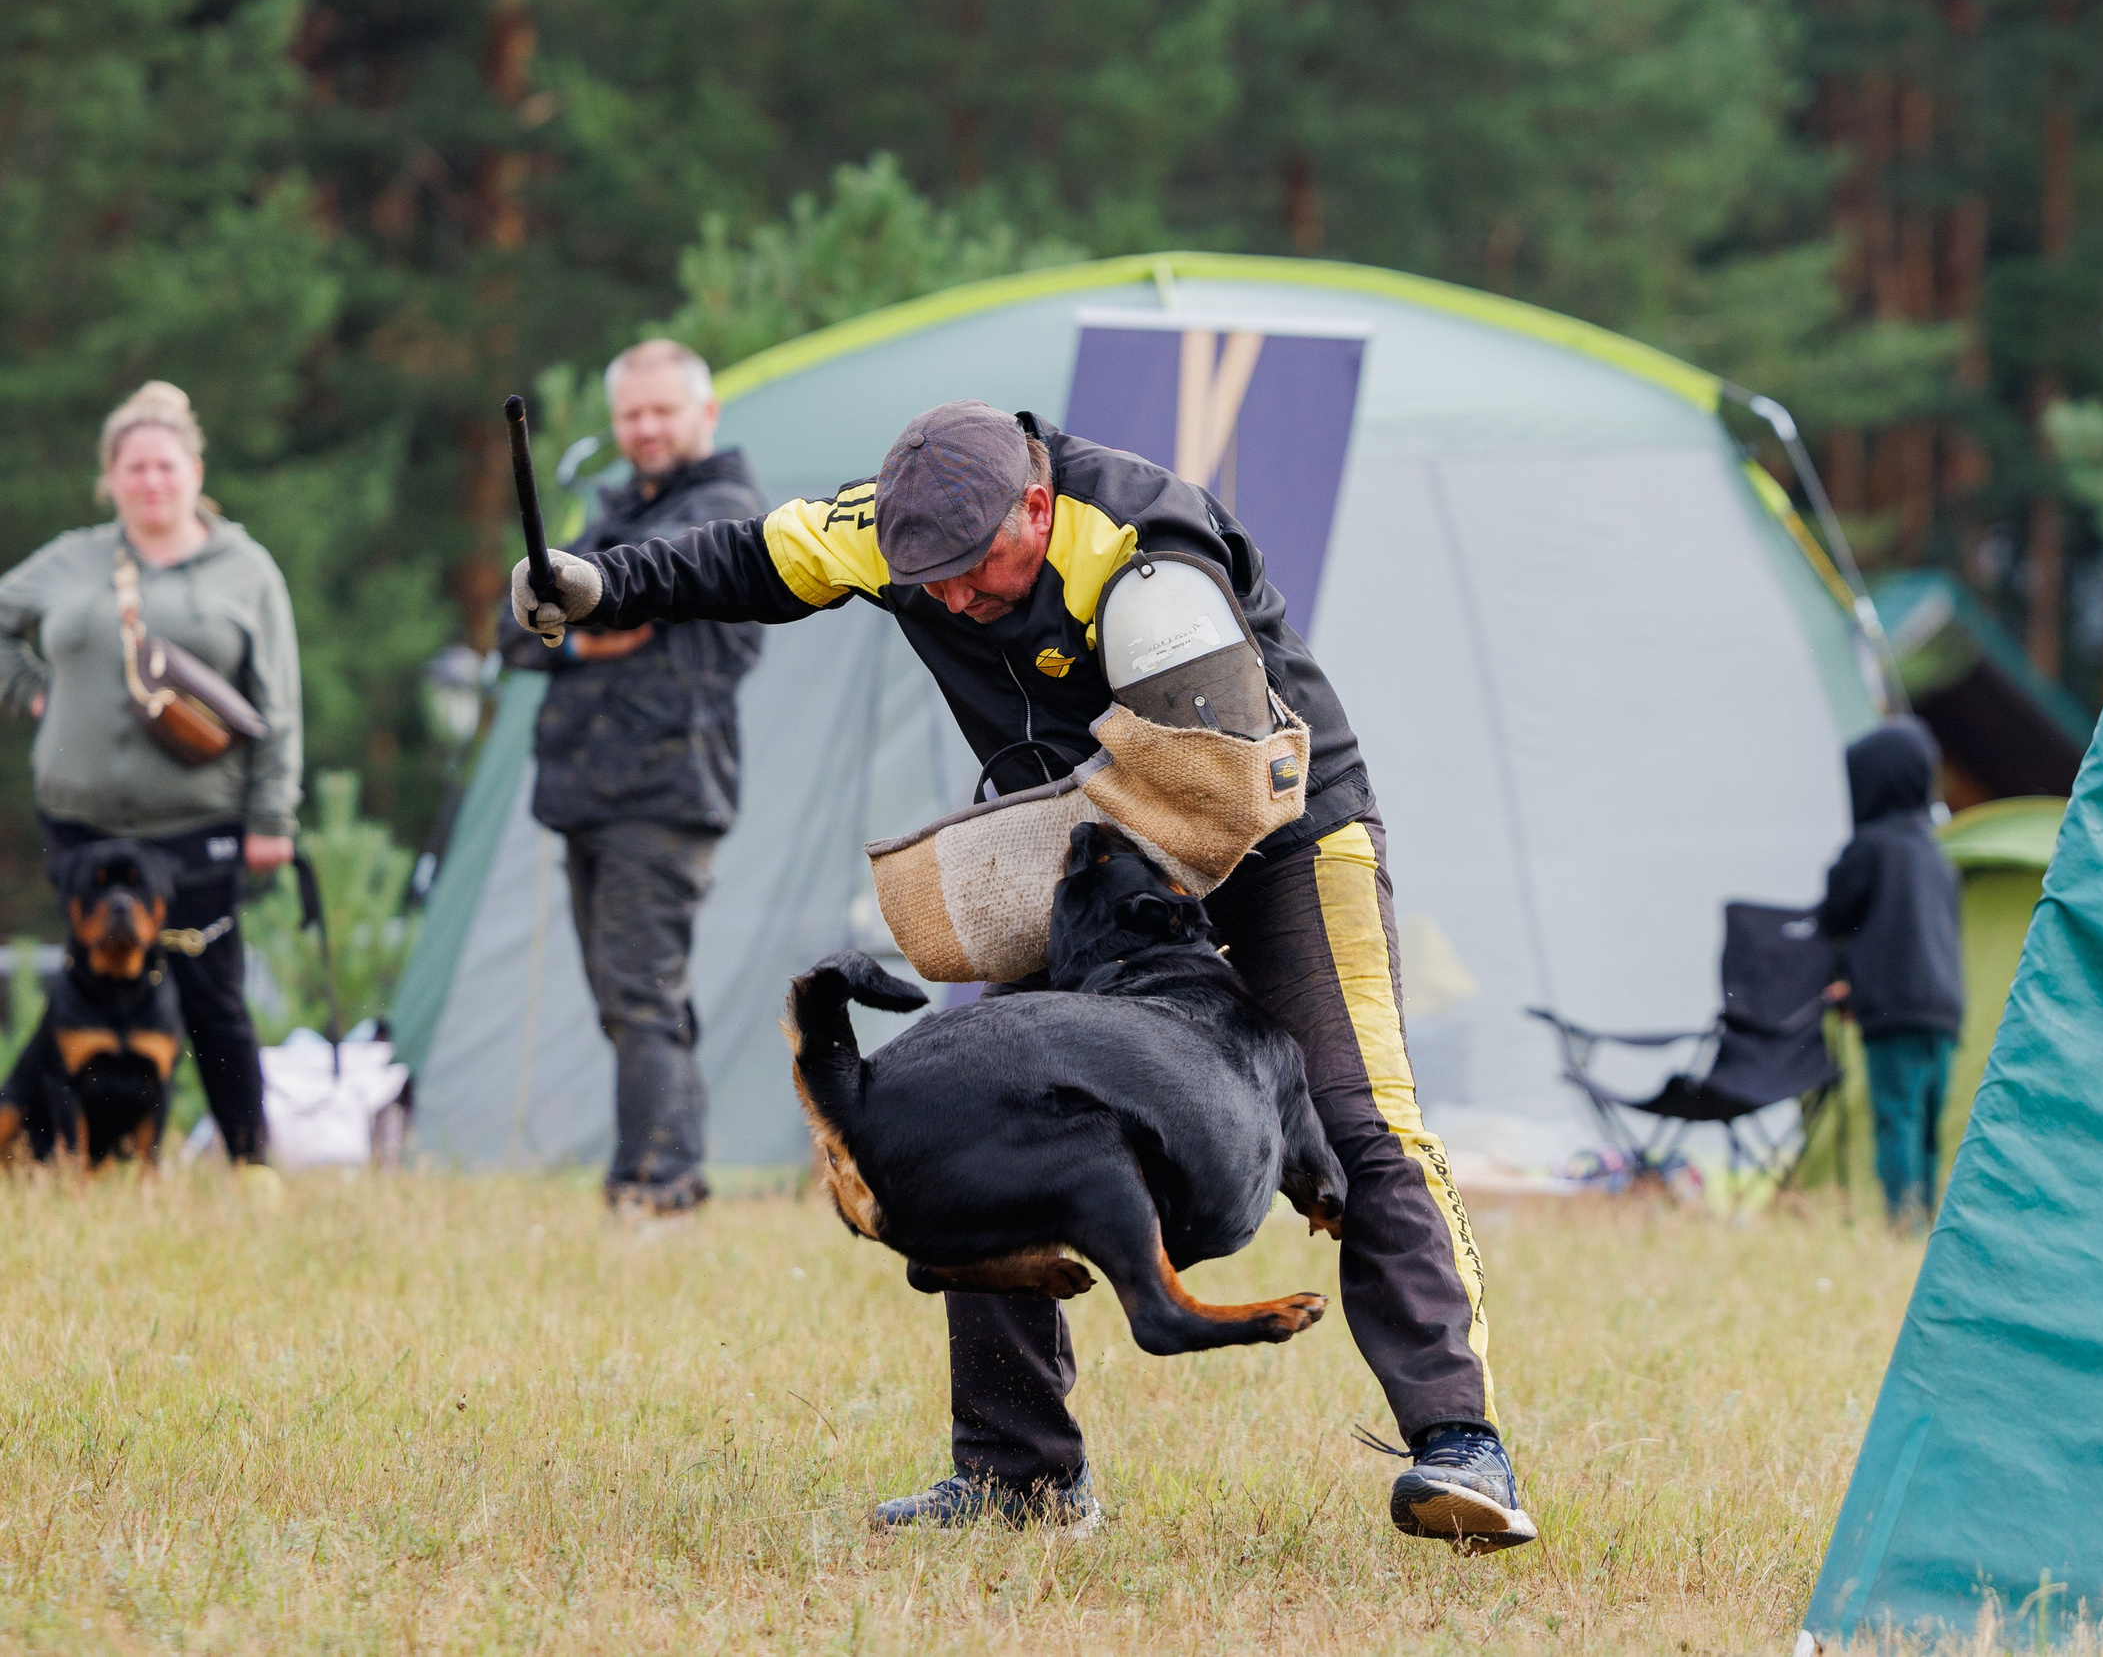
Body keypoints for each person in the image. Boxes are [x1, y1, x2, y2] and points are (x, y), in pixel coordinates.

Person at [512, 400, 1530, 1549]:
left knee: (1360, 1118)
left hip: (1281, 831)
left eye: (973, 567)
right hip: (1096, 843)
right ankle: (1020, 1480)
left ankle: (1460, 1445)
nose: (950, 598)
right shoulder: (901, 536)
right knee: (995, 1102)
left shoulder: (1149, 563)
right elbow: (752, 556)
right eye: (925, 579)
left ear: (1036, 507)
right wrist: (601, 583)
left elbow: (1218, 785)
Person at [0, 380, 302, 1164]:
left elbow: (280, 702)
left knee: (212, 1000)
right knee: (81, 992)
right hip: (81, 822)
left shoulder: (247, 570)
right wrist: (33, 694)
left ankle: (248, 1160)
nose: (152, 482)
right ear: (111, 479)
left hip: (197, 824)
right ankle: (66, 1152)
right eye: (134, 469)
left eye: (166, 466)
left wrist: (273, 818)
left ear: (195, 471)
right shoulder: (72, 561)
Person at [498, 340, 765, 1217]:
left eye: (662, 411)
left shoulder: (726, 514)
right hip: (589, 792)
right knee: (630, 998)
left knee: (642, 993)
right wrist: (587, 634)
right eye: (631, 414)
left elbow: (655, 603)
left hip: (664, 791)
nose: (644, 428)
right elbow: (517, 630)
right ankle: (667, 1175)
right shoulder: (614, 512)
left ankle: (654, 1184)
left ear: (705, 413)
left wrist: (597, 617)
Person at [1817, 716, 1965, 1227]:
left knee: (1896, 1117)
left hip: (1893, 1009)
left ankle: (1903, 1225)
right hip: (1944, 1011)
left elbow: (1834, 912)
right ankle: (1926, 1224)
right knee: (1926, 1124)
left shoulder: (1872, 848)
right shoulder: (1936, 853)